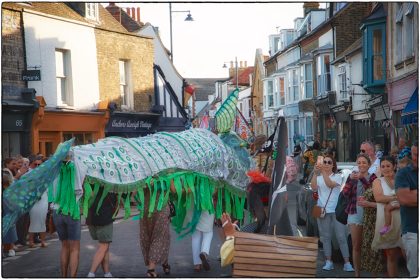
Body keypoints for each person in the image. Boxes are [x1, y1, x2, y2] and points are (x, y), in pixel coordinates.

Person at [310, 153, 354, 272]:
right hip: (321, 209)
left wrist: (322, 171)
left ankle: (347, 262)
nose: (327, 164)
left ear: (333, 165)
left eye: (329, 162)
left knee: (341, 237)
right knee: (325, 237)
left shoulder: (337, 176)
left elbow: (329, 184)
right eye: (324, 162)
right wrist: (315, 172)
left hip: (335, 211)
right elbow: (313, 187)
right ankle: (328, 261)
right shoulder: (318, 177)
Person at [341, 153, 377, 277]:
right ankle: (357, 274)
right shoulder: (352, 177)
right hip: (354, 212)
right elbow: (345, 194)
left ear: (369, 164)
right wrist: (351, 180)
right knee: (356, 245)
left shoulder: (373, 177)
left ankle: (373, 273)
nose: (361, 165)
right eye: (359, 163)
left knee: (371, 245)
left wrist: (361, 178)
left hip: (370, 214)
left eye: (364, 162)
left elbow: (372, 192)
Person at [372, 156, 403, 277]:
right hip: (386, 218)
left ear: (394, 166)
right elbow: (379, 198)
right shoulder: (377, 181)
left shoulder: (401, 178)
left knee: (407, 252)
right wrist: (397, 198)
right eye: (383, 166)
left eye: (388, 166)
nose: (385, 169)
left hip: (402, 216)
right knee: (390, 254)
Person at [52, 161, 82, 277]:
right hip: (71, 210)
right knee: (74, 248)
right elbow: (80, 189)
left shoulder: (54, 171)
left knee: (64, 245)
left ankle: (64, 276)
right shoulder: (76, 168)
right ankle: (72, 277)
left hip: (56, 210)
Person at [395, 143, 418, 277]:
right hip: (413, 231)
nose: (415, 158)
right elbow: (405, 199)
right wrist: (411, 196)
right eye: (414, 154)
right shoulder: (404, 173)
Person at [139, 183, 171, 278]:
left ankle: (165, 263)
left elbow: (135, 188)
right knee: (160, 237)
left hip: (146, 209)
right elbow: (173, 189)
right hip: (161, 209)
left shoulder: (142, 172)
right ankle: (151, 269)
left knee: (148, 236)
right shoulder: (167, 172)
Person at [86, 187, 118, 278]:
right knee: (104, 246)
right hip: (104, 217)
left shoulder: (91, 177)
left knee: (105, 246)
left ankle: (107, 273)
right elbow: (126, 194)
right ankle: (91, 273)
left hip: (91, 218)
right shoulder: (111, 179)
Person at [380, 148, 412, 236]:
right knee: (387, 208)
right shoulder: (400, 176)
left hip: (404, 202)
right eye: (400, 168)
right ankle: (387, 225)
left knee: (388, 208)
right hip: (399, 200)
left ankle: (387, 226)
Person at [27, 155, 48, 248]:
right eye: (36, 164)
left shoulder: (45, 173)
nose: (38, 166)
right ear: (33, 164)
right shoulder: (29, 173)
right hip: (33, 200)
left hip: (43, 198)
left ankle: (43, 241)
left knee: (43, 219)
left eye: (40, 164)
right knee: (33, 220)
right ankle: (31, 241)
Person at [2, 172, 18, 257]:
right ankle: (7, 249)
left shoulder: (9, 191)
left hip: (8, 214)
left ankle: (9, 249)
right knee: (7, 232)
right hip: (6, 214)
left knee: (9, 232)